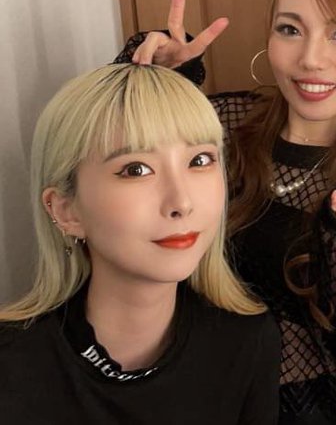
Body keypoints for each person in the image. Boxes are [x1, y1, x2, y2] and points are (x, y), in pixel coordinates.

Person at [115, 0, 336, 424]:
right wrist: (159, 86)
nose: (311, 58)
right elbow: (110, 173)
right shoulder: (219, 127)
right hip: (198, 403)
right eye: (290, 29)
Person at [0, 64, 280, 424]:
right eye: (136, 169)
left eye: (200, 160)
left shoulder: (246, 342)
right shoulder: (12, 362)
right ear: (66, 210)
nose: (182, 202)